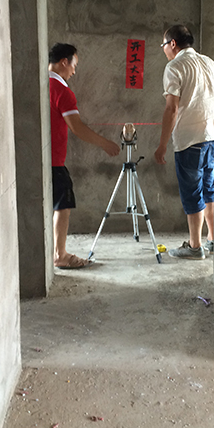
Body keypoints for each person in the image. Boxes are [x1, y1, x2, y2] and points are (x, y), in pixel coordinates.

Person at [49, 43, 120, 268]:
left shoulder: (39, 84)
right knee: (62, 205)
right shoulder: (62, 92)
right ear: (64, 62)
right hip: (54, 160)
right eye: (74, 65)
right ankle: (60, 254)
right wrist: (105, 143)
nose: (74, 71)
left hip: (38, 159)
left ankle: (53, 252)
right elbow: (77, 127)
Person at [155, 25, 214, 260]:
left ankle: (194, 246)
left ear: (172, 43)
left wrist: (162, 145)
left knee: (193, 194)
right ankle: (213, 240)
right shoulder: (209, 63)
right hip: (211, 137)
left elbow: (171, 108)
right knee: (209, 191)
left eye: (163, 45)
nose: (164, 49)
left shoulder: (175, 66)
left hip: (189, 141)